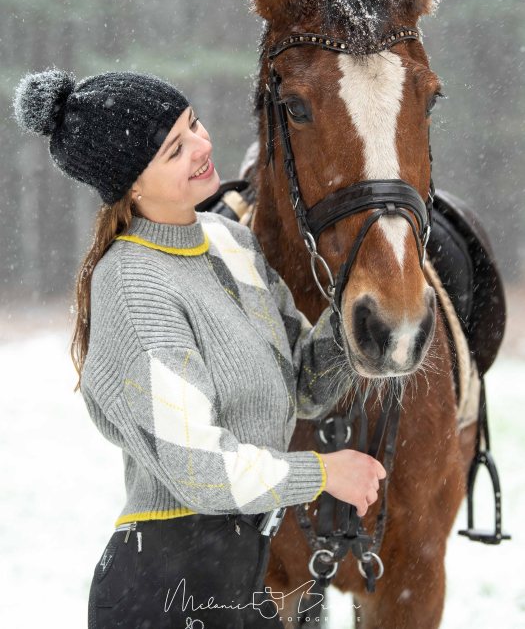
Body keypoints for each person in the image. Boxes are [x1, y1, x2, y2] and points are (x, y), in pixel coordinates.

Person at [13, 69, 386, 629]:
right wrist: (322, 473)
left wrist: (361, 302)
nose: (201, 146)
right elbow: (202, 471)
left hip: (249, 575)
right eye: (174, 148)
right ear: (131, 185)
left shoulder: (230, 242)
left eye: (194, 124)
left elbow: (304, 385)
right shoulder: (133, 284)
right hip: (169, 583)